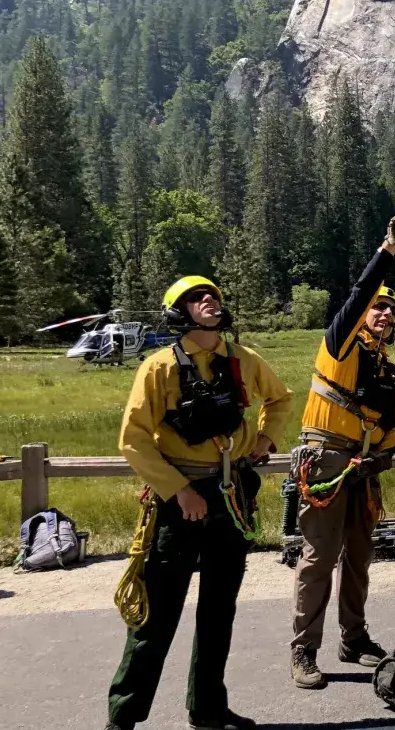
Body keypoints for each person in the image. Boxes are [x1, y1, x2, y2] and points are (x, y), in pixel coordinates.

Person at [106, 276, 292, 730]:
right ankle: (123, 717)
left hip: (232, 496)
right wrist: (178, 490)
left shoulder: (244, 360)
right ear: (177, 313)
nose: (208, 300)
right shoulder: (158, 368)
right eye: (195, 298)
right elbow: (132, 440)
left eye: (211, 296)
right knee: (158, 613)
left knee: (218, 609)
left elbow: (280, 399)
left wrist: (266, 438)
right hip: (178, 499)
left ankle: (207, 708)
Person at [289, 204, 395, 690]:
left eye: (391, 310)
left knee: (360, 557)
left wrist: (380, 455)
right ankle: (304, 649)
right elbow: (363, 289)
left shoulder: (391, 373)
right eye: (378, 307)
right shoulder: (339, 345)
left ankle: (354, 638)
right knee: (320, 555)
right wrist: (391, 248)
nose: (383, 313)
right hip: (325, 458)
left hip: (365, 466)